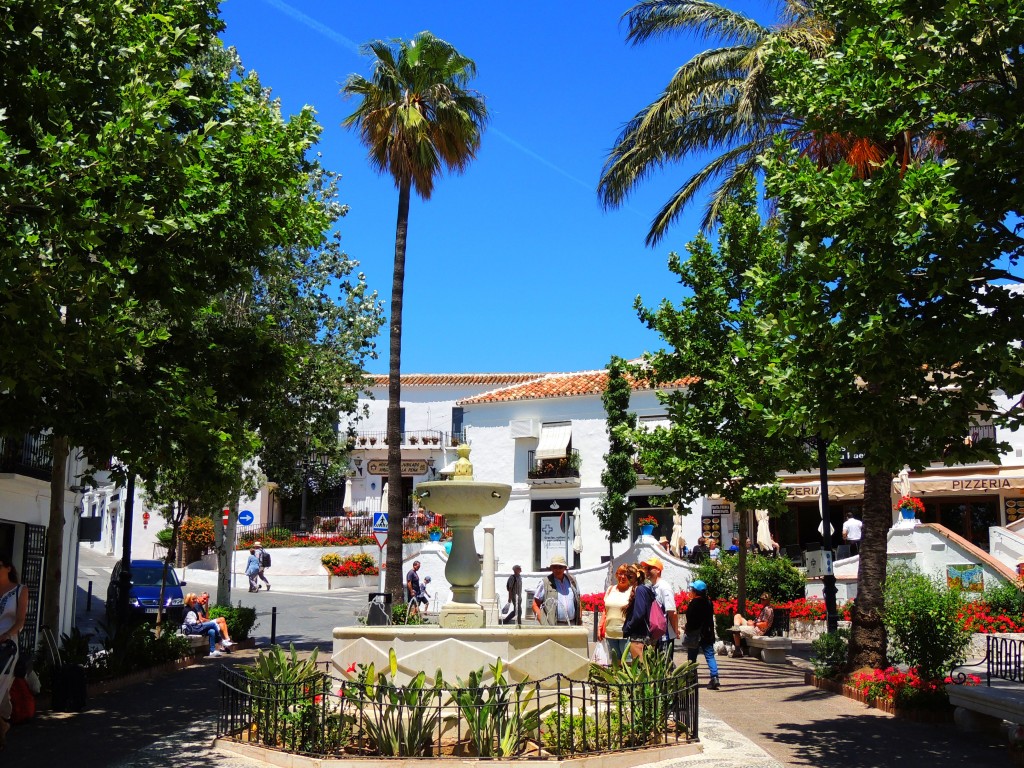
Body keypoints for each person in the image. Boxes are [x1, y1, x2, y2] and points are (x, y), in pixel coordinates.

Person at [0, 558, 28, 747]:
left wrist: (7, 634)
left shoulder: (20, 590)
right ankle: (3, 725)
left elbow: (20, 621)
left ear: (8, 567)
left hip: (7, 647)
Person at [684, 580, 720, 690]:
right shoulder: (709, 602)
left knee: (692, 658)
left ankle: (691, 679)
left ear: (696, 591)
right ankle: (715, 677)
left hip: (695, 635)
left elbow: (690, 619)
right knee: (710, 656)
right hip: (707, 633)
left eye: (692, 589)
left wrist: (686, 628)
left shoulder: (694, 603)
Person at [642, 555, 679, 661]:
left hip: (664, 636)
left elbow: (672, 612)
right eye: (646, 568)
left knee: (665, 666)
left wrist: (675, 631)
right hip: (655, 635)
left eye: (649, 568)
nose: (646, 570)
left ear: (658, 570)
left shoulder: (664, 587)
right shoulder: (652, 587)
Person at [620, 564, 658, 659]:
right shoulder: (646, 589)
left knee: (639, 667)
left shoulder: (640, 590)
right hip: (647, 634)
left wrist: (629, 626)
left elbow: (639, 613)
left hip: (640, 636)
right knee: (648, 666)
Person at [532, 554, 581, 626]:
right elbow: (535, 605)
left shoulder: (572, 581)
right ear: (551, 568)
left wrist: (579, 620)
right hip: (554, 626)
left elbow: (579, 601)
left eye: (560, 567)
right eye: (554, 567)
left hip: (572, 625)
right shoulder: (545, 582)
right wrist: (544, 623)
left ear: (565, 568)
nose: (557, 570)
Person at [598, 565, 632, 664]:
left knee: (627, 664)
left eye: (626, 574)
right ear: (616, 575)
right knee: (615, 664)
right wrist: (600, 628)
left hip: (625, 635)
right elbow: (605, 611)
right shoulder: (610, 589)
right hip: (610, 633)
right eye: (620, 573)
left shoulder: (632, 591)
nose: (623, 576)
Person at [732, 592, 775, 657]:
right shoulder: (765, 608)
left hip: (757, 630)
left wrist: (753, 623)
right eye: (761, 599)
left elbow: (765, 624)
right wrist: (752, 622)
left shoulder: (768, 609)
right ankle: (736, 631)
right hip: (754, 626)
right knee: (738, 616)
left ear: (768, 600)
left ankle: (737, 649)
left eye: (763, 599)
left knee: (736, 630)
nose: (761, 601)